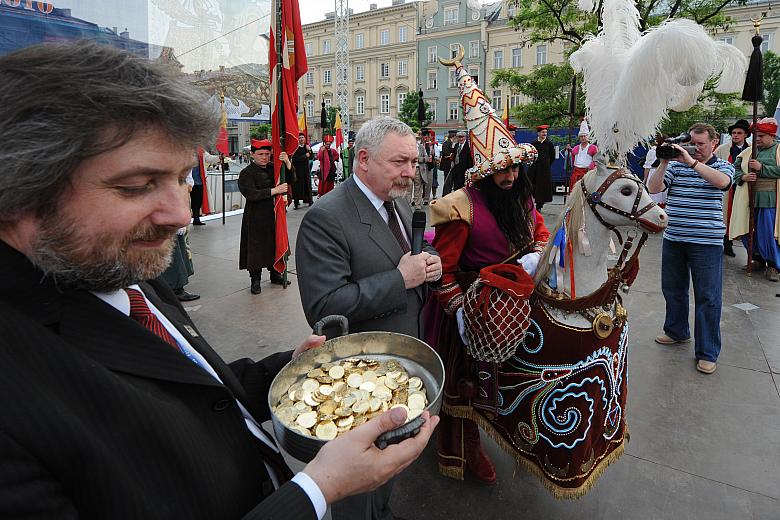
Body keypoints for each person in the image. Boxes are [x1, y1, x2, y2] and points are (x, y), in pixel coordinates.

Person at [0, 41, 438, 520]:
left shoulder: (115, 270)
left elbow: (196, 387)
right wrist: (316, 490)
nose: (178, 216)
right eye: (135, 186)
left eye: (183, 178)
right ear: (20, 194)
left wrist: (286, 370)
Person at [296, 116, 443, 520]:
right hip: (361, 376)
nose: (411, 173)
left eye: (414, 162)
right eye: (400, 162)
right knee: (357, 486)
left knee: (386, 472)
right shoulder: (326, 217)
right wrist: (401, 278)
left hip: (401, 364)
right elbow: (325, 308)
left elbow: (411, 269)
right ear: (363, 159)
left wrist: (429, 269)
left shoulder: (395, 204)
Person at [426, 63, 549, 485]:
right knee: (464, 390)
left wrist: (538, 252)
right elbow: (442, 268)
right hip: (471, 305)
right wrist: (459, 310)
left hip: (515, 300)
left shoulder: (520, 194)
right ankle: (463, 451)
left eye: (514, 168)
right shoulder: (460, 205)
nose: (511, 175)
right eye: (502, 169)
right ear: (482, 171)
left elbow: (538, 229)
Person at [647, 123, 734, 374]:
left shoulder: (722, 165)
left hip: (706, 242)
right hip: (674, 238)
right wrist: (664, 161)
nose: (694, 149)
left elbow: (723, 183)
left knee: (708, 297)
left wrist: (693, 163)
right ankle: (676, 331)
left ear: (713, 143)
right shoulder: (675, 166)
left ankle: (707, 351)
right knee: (673, 289)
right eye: (691, 144)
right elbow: (653, 189)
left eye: (700, 144)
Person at [730, 117, 780, 282]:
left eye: (761, 136)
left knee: (767, 233)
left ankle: (773, 265)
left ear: (772, 135)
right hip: (748, 198)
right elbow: (735, 169)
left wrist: (762, 168)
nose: (757, 139)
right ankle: (757, 259)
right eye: (756, 136)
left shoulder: (778, 150)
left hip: (770, 199)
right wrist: (743, 176)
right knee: (748, 231)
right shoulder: (748, 151)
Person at [238, 139, 291, 294]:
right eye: (260, 154)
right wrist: (275, 190)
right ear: (252, 154)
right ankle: (255, 280)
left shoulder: (274, 169)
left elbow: (291, 180)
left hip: (273, 215)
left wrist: (287, 163)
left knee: (274, 246)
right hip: (255, 217)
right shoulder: (246, 173)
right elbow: (251, 194)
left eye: (267, 154)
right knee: (256, 250)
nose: (264, 157)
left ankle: (275, 274)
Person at [715, 119, 751, 257]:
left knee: (742, 213)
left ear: (745, 135)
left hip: (744, 187)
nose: (735, 135)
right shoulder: (723, 149)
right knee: (725, 214)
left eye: (739, 133)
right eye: (734, 133)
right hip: (727, 187)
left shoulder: (752, 148)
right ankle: (727, 242)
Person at [527, 124, 556, 211]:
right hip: (533, 169)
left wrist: (546, 164)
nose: (544, 134)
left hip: (544, 170)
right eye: (543, 132)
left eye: (546, 132)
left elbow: (552, 157)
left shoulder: (549, 144)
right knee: (531, 186)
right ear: (538, 133)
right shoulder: (533, 143)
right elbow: (530, 155)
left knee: (542, 188)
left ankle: (539, 206)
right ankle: (529, 204)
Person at [566, 119, 598, 192]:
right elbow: (572, 159)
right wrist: (569, 151)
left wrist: (591, 168)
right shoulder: (575, 148)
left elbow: (596, 160)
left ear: (588, 137)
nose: (583, 138)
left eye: (585, 136)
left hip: (588, 173)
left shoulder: (593, 148)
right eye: (581, 136)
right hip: (576, 172)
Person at [190, 149, 217, 225]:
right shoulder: (184, 148)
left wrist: (219, 157)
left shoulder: (200, 150)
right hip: (187, 181)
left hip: (198, 181)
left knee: (197, 201)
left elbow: (209, 158)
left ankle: (196, 218)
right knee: (187, 202)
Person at [444, 130, 473, 196]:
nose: (461, 139)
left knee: (463, 187)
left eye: (462, 137)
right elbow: (453, 155)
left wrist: (469, 170)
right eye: (459, 137)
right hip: (456, 170)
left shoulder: (468, 146)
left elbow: (470, 160)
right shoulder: (456, 145)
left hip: (464, 169)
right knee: (456, 186)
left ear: (465, 137)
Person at [643, 134, 668, 208]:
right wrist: (645, 179)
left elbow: (647, 167)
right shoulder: (653, 151)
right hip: (654, 173)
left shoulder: (667, 151)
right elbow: (647, 166)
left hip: (663, 172)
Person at [292, 132, 314, 209]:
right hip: (298, 171)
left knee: (307, 185)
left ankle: (309, 200)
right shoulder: (295, 148)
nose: (301, 139)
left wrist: (310, 150)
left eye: (303, 137)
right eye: (300, 137)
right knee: (297, 187)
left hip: (306, 170)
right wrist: (305, 156)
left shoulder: (307, 147)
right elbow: (295, 159)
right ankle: (296, 202)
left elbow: (311, 157)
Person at [413, 131, 431, 208]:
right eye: (414, 138)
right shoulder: (407, 147)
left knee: (418, 187)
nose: (416, 140)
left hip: (418, 169)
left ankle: (417, 204)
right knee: (408, 188)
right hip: (409, 169)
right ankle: (407, 205)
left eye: (417, 138)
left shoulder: (421, 147)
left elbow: (427, 158)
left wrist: (419, 159)